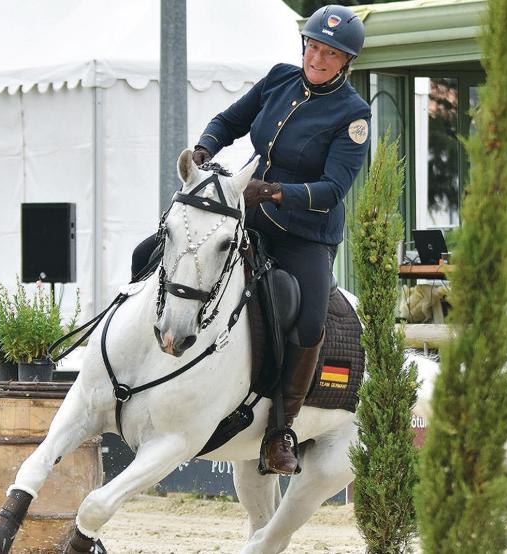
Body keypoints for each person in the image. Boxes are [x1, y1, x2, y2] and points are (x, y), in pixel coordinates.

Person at [134, 5, 370, 475]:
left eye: (330, 53)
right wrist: (204, 148)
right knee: (152, 252)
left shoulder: (354, 115)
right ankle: (142, 364)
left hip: (304, 236)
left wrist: (277, 191)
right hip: (248, 214)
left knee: (307, 322)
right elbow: (229, 120)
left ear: (346, 62)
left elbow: (333, 189)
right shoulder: (279, 79)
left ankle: (281, 428)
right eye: (314, 47)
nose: (317, 58)